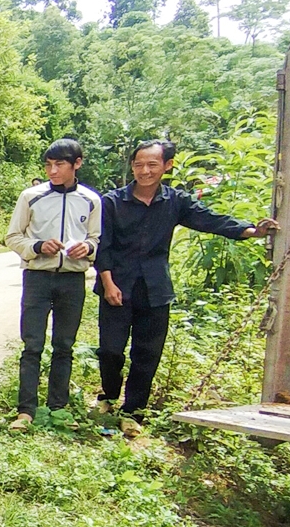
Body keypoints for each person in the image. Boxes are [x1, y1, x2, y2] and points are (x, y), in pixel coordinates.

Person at [94, 139, 277, 429]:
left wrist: (252, 231)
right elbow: (102, 245)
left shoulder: (176, 202)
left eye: (153, 164)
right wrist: (107, 282)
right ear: (132, 166)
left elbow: (210, 220)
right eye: (139, 164)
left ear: (167, 166)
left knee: (147, 353)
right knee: (110, 350)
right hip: (116, 286)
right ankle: (109, 394)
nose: (145, 170)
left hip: (155, 289)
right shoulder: (112, 202)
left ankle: (132, 413)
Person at [5, 139, 102, 430]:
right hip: (37, 277)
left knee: (64, 345)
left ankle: (58, 408)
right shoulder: (31, 196)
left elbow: (97, 239)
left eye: (59, 164)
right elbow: (12, 237)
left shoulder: (91, 200)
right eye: (48, 165)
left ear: (77, 164)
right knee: (32, 344)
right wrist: (37, 246)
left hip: (72, 279)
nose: (52, 171)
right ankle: (26, 411)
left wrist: (87, 248)